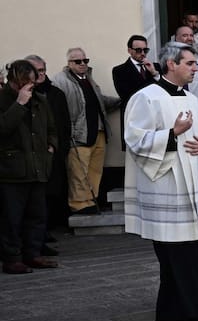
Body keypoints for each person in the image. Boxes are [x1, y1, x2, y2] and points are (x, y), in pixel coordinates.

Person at [124, 42, 198, 321]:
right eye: (190, 63)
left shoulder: (192, 99)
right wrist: (173, 134)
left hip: (194, 182)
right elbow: (135, 140)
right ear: (171, 64)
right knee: (177, 251)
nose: (196, 68)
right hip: (168, 185)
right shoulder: (145, 98)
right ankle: (181, 310)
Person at [0, 59, 59, 274]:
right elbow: (3, 128)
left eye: (32, 83)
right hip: (12, 171)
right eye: (24, 83)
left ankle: (33, 254)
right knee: (12, 218)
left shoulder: (41, 100)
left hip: (38, 167)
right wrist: (19, 104)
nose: (29, 88)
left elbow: (52, 128)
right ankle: (12, 258)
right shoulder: (4, 99)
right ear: (14, 81)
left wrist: (51, 147)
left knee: (37, 215)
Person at [50, 47, 120, 214]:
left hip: (98, 131)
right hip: (79, 134)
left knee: (95, 169)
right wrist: (71, 132)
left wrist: (120, 101)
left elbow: (98, 100)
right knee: (78, 171)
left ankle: (91, 200)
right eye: (78, 61)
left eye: (85, 61)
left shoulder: (88, 78)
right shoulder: (61, 81)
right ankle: (79, 204)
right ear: (69, 63)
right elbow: (59, 110)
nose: (82, 64)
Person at [27, 55, 71, 242]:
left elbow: (62, 124)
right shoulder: (24, 96)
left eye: (43, 70)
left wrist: (58, 147)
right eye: (37, 71)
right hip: (31, 156)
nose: (41, 74)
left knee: (52, 193)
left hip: (54, 153)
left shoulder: (56, 94)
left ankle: (46, 231)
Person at [111, 35, 160, 113]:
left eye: (145, 50)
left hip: (155, 113)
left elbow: (164, 90)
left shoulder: (156, 67)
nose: (143, 53)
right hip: (133, 114)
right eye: (138, 50)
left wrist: (154, 74)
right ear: (129, 51)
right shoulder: (119, 70)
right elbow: (127, 95)